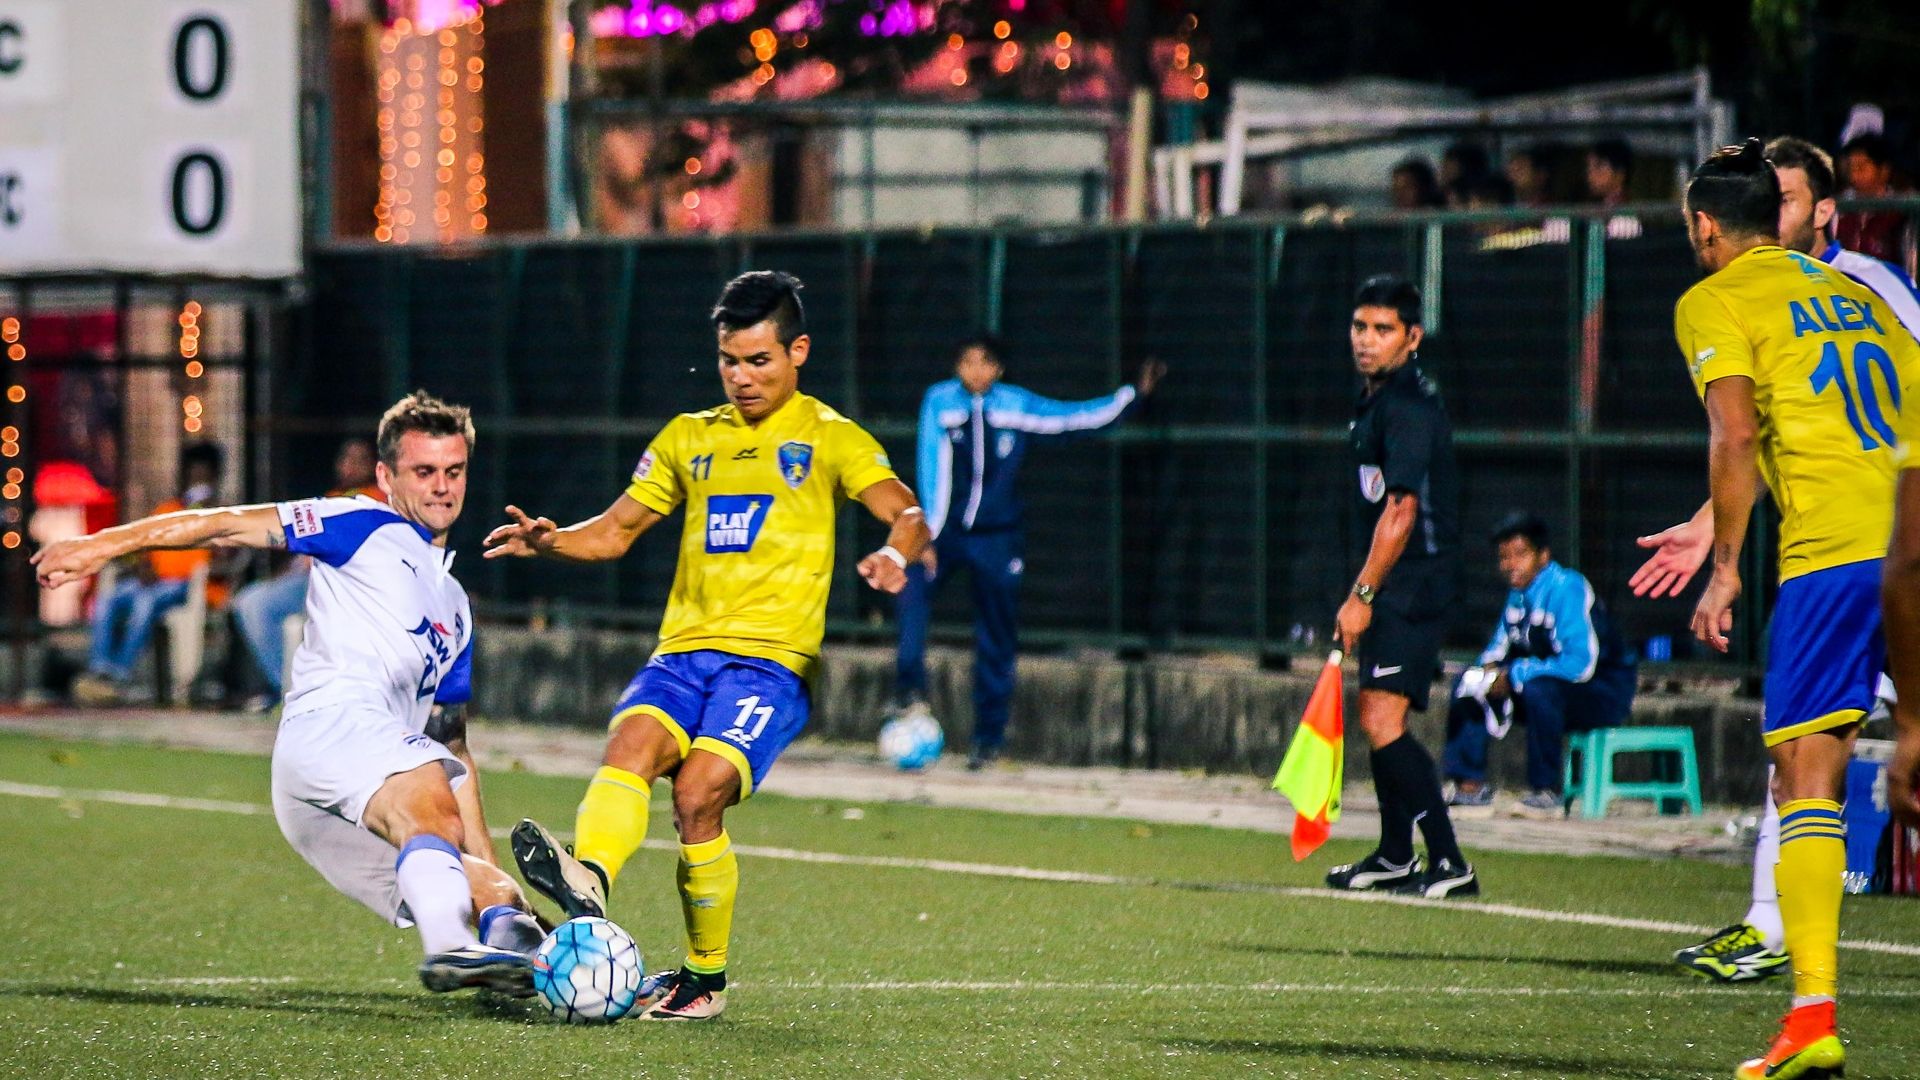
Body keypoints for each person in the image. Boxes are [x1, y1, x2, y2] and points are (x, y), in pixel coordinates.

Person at [484, 271, 931, 1021]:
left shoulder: (829, 437)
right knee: (630, 745)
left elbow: (906, 509)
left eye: (759, 360)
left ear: (799, 352)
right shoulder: (689, 438)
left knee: (698, 793)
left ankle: (704, 980)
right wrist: (552, 541)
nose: (742, 376)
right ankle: (588, 879)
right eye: (730, 360)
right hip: (682, 655)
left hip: (770, 664)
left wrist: (895, 553)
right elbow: (619, 530)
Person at [33, 392, 544, 994]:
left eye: (453, 472)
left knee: (493, 895)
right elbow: (224, 522)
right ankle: (451, 949)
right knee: (427, 793)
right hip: (334, 731)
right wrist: (101, 545)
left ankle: (558, 970)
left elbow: (455, 752)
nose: (441, 487)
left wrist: (494, 877)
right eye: (423, 471)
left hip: (335, 800)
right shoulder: (360, 522)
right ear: (386, 476)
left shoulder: (456, 607)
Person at [1658, 138, 1917, 1080]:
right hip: (1912, 540)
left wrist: (1724, 565)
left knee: (1804, 775)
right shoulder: (1864, 298)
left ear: (1704, 226)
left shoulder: (1716, 300)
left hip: (1833, 560)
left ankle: (1812, 1016)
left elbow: (1736, 428)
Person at [894, 337, 1163, 769]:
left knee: (995, 636)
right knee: (909, 591)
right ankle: (908, 692)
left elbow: (1073, 419)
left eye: (985, 363)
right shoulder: (940, 402)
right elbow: (931, 463)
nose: (975, 371)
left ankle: (987, 739)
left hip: (997, 538)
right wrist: (925, 534)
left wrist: (1130, 397)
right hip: (944, 535)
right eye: (966, 362)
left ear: (999, 370)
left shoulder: (1015, 406)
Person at [1326, 275, 1477, 900]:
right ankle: (1394, 855)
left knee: (1384, 718)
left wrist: (1361, 596)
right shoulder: (1376, 399)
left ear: (1412, 338)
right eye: (1360, 326)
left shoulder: (1409, 406)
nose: (1367, 340)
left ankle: (1449, 860)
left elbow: (1402, 512)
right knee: (1374, 715)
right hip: (1392, 580)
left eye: (1383, 329)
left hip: (1414, 581)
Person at [1441, 512, 1635, 813]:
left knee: (1539, 689)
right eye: (1503, 557)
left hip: (1601, 693)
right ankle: (1469, 787)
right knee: (1470, 681)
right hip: (1545, 689)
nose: (1509, 565)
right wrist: (1487, 672)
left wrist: (1515, 674)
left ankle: (1546, 792)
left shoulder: (1568, 587)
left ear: (1542, 556)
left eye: (1519, 555)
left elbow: (1580, 664)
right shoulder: (1517, 596)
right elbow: (1496, 649)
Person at [230, 437, 383, 707]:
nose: (349, 466)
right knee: (248, 600)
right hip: (308, 580)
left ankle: (297, 692)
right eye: (346, 459)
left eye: (359, 460)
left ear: (374, 466)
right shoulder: (330, 497)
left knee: (256, 603)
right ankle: (290, 687)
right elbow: (303, 549)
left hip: (344, 583)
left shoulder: (378, 498)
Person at [73, 442, 229, 704]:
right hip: (155, 582)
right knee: (108, 599)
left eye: (204, 476)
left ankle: (120, 674)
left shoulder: (223, 514)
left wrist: (208, 515)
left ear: (214, 477)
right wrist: (144, 568)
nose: (197, 481)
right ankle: (100, 668)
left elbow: (227, 560)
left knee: (146, 602)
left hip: (189, 588)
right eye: (193, 475)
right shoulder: (168, 510)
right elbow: (143, 549)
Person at [1834, 132, 1910, 267]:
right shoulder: (1838, 209)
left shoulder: (1902, 212)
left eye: (1861, 168)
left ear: (1884, 170)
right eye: (1851, 168)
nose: (1854, 176)